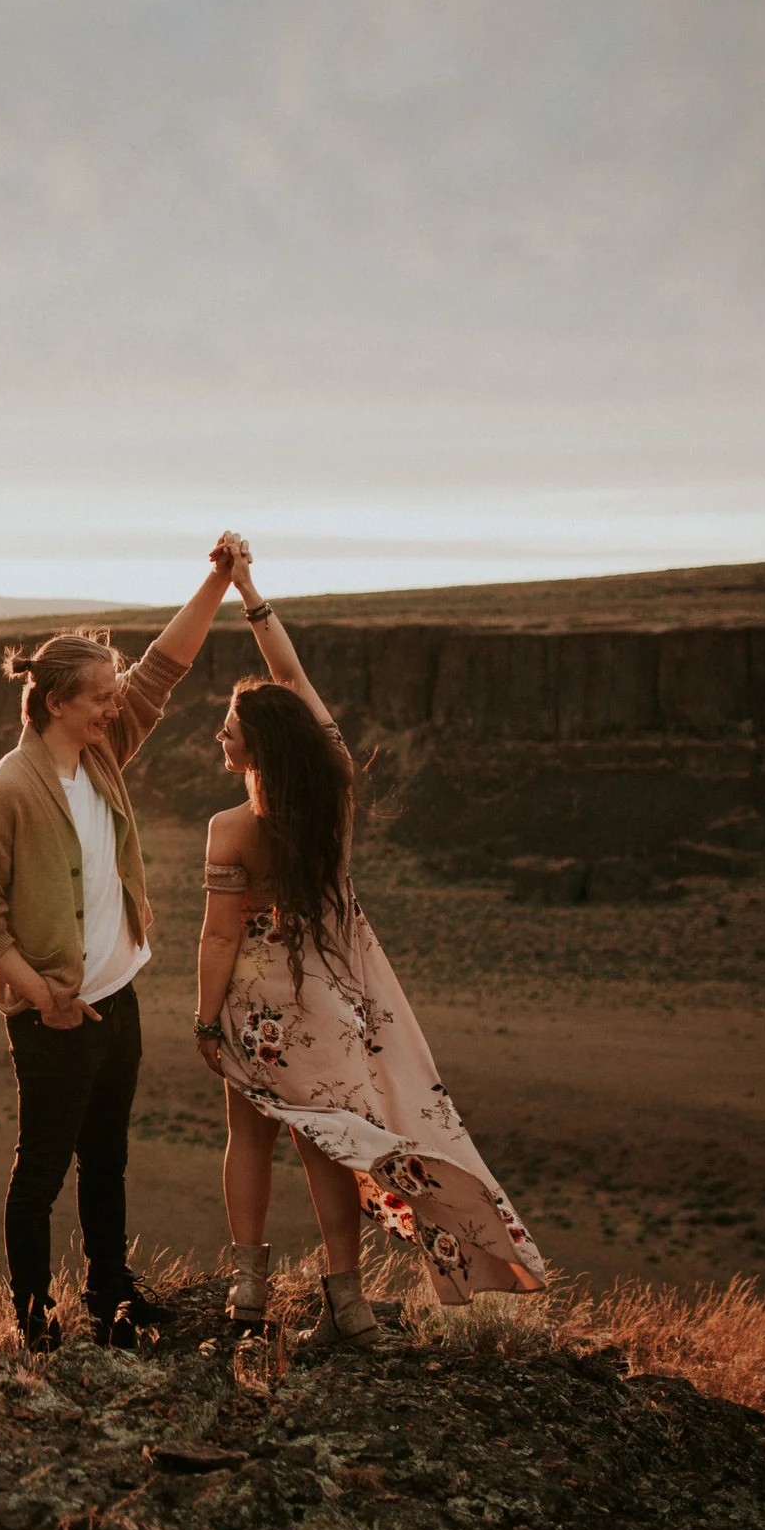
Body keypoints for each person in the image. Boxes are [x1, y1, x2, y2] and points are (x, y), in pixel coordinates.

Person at [195, 541, 550, 1345]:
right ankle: (347, 1303)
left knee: (247, 1135)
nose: (219, 737)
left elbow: (219, 935)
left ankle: (248, 1288)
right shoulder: (336, 794)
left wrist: (206, 1020)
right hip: (331, 1000)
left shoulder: (228, 829)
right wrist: (249, 591)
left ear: (258, 747)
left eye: (229, 729)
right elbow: (293, 680)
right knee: (329, 1147)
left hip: (255, 1004)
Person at [0, 534, 242, 1349]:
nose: (116, 704)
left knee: (106, 1157)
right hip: (55, 1016)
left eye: (114, 694)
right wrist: (43, 996)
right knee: (41, 1170)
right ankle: (35, 1324)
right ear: (55, 703)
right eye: (100, 696)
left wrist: (217, 582)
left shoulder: (101, 755)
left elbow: (164, 667)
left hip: (118, 997)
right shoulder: (7, 792)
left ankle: (110, 1293)